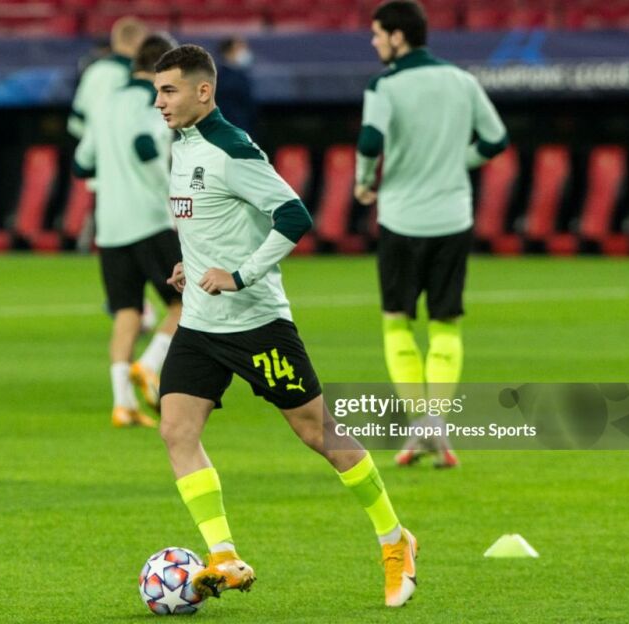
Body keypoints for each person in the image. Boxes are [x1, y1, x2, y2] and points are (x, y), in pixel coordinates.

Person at [153, 44, 419, 608]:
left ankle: (395, 539)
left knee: (318, 433)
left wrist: (240, 275)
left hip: (257, 324)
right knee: (176, 429)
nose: (160, 102)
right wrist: (191, 265)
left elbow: (294, 215)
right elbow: (213, 223)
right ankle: (223, 556)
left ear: (204, 91)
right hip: (200, 325)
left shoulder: (233, 148)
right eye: (157, 92)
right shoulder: (182, 146)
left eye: (169, 90)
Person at [354, 1, 509, 468]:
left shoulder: (384, 85)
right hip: (452, 218)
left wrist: (364, 181)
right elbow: (496, 139)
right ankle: (435, 423)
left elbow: (370, 140)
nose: (374, 42)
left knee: (396, 320)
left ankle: (419, 426)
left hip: (402, 218)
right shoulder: (462, 80)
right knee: (445, 322)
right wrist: (457, 162)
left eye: (378, 34)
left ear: (398, 36)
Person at [73, 34, 182, 429]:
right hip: (149, 218)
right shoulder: (152, 101)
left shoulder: (106, 103)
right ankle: (150, 365)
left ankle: (123, 404)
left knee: (127, 311)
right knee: (189, 302)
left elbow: (82, 162)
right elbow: (144, 144)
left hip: (111, 224)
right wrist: (168, 190)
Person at [67, 17, 148, 140]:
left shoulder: (93, 71)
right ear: (139, 42)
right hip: (130, 149)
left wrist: (95, 143)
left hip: (94, 148)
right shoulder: (139, 75)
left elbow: (76, 123)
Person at [215, 37, 255, 135]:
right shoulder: (221, 77)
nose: (244, 52)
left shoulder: (241, 75)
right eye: (240, 48)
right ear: (228, 52)